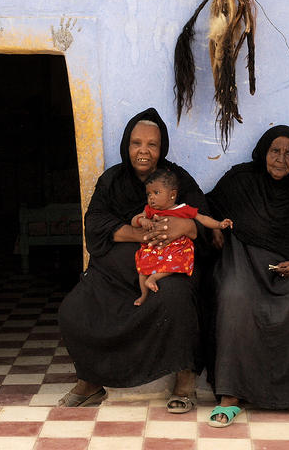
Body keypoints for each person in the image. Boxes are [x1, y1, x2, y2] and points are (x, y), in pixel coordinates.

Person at [57, 108, 209, 412]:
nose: (144, 151)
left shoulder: (177, 180)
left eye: (152, 144)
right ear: (127, 145)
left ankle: (185, 379)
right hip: (114, 274)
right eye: (137, 143)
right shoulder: (112, 180)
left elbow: (202, 224)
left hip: (165, 270)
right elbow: (96, 223)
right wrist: (140, 236)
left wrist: (188, 227)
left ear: (161, 148)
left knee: (178, 298)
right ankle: (91, 380)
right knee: (73, 309)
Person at [205, 125, 289, 427]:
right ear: (263, 151)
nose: (282, 158)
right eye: (275, 151)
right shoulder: (240, 180)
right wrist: (214, 227)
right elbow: (207, 206)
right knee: (234, 296)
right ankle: (231, 394)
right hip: (245, 263)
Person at [131, 168, 233, 306]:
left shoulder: (183, 209)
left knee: (173, 264)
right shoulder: (149, 210)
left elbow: (203, 219)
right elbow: (135, 220)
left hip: (176, 249)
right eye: (149, 194)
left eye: (156, 193)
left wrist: (219, 225)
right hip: (155, 248)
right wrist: (143, 221)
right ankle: (143, 295)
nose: (151, 198)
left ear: (172, 195)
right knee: (142, 270)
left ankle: (153, 278)